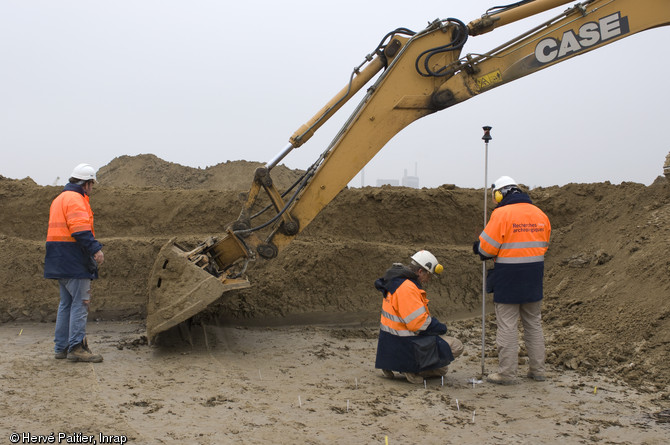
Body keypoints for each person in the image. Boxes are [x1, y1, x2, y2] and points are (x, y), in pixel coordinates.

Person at [473, 176, 551, 384]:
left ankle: (507, 374)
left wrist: (478, 247)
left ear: (500, 193)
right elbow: (544, 245)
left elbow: (486, 248)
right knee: (533, 324)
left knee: (507, 325)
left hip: (508, 275)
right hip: (534, 274)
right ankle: (538, 370)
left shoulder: (501, 214)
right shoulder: (539, 213)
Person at [44, 163, 105, 363]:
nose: (92, 189)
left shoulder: (59, 199)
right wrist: (95, 250)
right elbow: (79, 230)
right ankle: (77, 347)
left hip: (58, 259)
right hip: (74, 260)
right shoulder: (76, 200)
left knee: (66, 304)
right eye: (92, 185)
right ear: (86, 184)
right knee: (81, 303)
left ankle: (61, 347)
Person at [374, 250, 463, 384]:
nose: (429, 280)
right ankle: (411, 369)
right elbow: (419, 324)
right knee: (454, 350)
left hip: (389, 347)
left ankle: (392, 365)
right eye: (429, 275)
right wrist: (440, 328)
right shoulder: (408, 288)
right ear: (421, 271)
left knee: (441, 367)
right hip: (405, 346)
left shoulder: (395, 281)